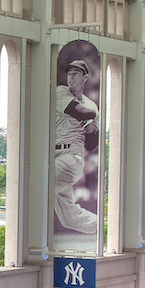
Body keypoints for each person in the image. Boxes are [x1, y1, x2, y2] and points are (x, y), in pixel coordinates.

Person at [53, 58, 100, 235]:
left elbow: (90, 145)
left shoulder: (90, 104)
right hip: (53, 155)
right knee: (69, 218)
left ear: (85, 77)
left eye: (75, 74)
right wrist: (96, 116)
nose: (71, 78)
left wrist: (93, 130)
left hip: (71, 157)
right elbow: (78, 111)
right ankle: (108, 228)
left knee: (40, 187)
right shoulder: (61, 92)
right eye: (69, 74)